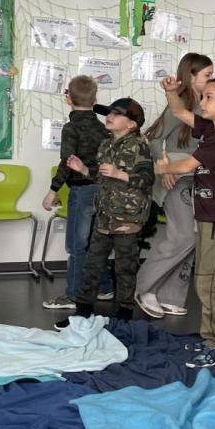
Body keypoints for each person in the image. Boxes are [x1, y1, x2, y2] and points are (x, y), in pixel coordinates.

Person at [154, 73, 215, 368]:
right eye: (203, 96)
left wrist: (158, 168)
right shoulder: (211, 128)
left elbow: (187, 165)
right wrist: (171, 92)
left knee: (210, 285)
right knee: (205, 281)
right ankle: (213, 337)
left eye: (209, 97)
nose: (202, 101)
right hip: (208, 218)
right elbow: (180, 112)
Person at [135, 53, 214, 319]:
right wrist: (164, 162)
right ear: (190, 76)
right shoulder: (179, 105)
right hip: (175, 178)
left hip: (198, 178)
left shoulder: (208, 105)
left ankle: (170, 296)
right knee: (183, 237)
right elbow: (154, 138)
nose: (211, 80)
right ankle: (144, 287)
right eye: (207, 75)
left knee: (191, 238)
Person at [71, 98, 154, 322]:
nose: (109, 117)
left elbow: (147, 179)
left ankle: (124, 315)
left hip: (128, 217)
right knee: (92, 264)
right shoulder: (106, 144)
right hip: (105, 215)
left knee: (125, 267)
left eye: (116, 114)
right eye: (108, 113)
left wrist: (120, 174)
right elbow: (102, 177)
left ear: (131, 124)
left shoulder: (138, 146)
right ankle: (82, 312)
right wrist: (83, 169)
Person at [42, 75, 110, 311]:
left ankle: (73, 295)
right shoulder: (103, 128)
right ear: (95, 99)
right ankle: (104, 287)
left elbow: (67, 162)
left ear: (68, 98)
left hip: (81, 192)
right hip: (102, 189)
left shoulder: (71, 128)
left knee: (76, 246)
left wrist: (53, 191)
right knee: (95, 243)